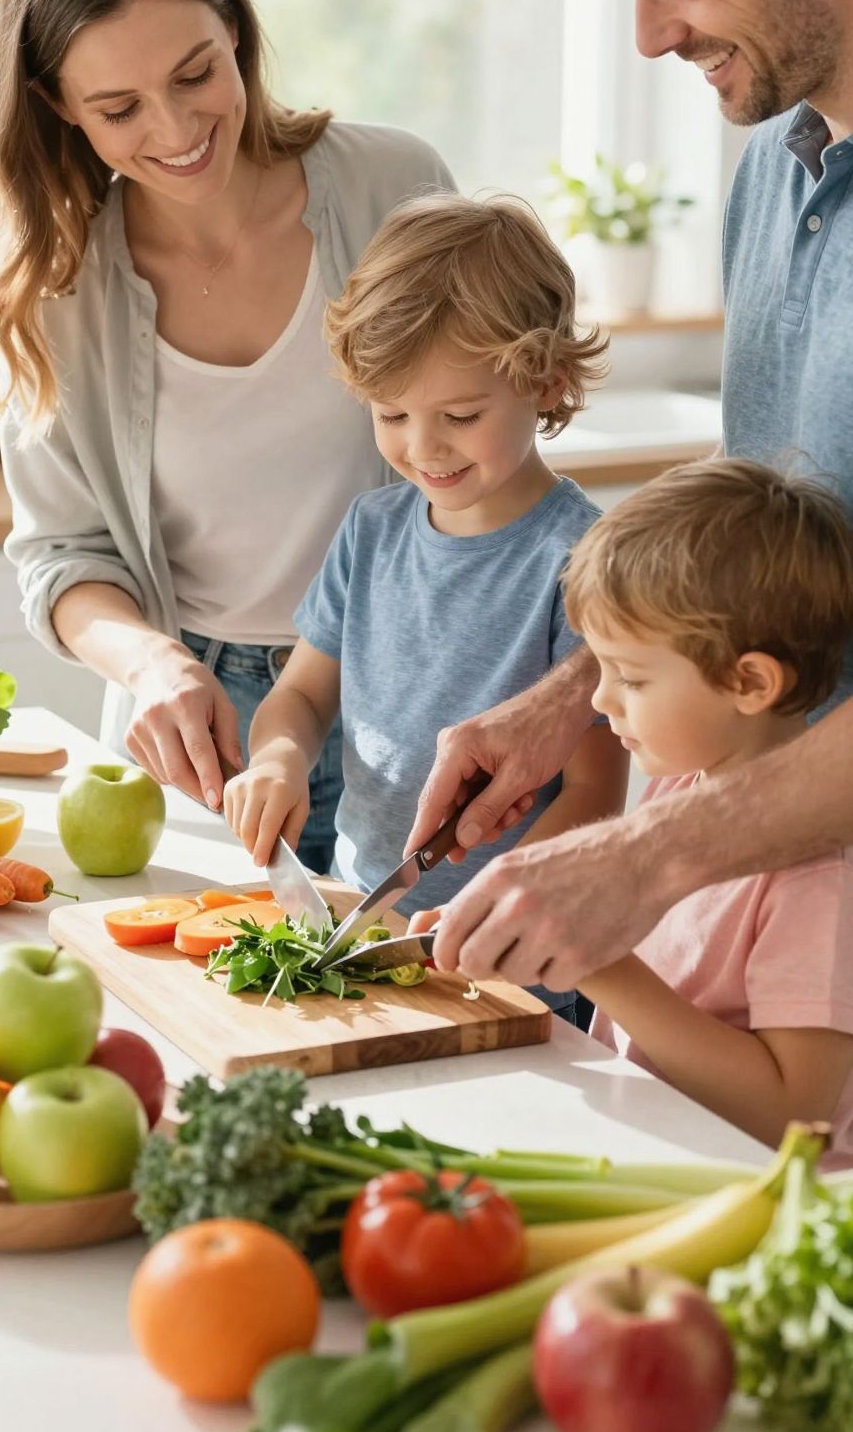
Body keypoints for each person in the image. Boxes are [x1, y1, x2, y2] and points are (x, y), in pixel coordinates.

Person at [404, 0, 853, 1218]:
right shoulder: (779, 167)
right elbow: (752, 560)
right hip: (750, 929)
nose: (653, 36)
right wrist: (569, 700)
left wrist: (645, 862)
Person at [0, 0, 453, 873]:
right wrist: (151, 665)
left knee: (421, 966)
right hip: (201, 727)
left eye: (196, 73)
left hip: (408, 688)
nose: (177, 127)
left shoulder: (395, 189)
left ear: (234, 27)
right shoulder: (55, 286)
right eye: (119, 108)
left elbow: (492, 433)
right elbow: (60, 556)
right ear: (60, 106)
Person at [221, 193, 628, 1021]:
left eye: (461, 415)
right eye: (392, 414)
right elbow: (300, 697)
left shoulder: (584, 561)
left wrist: (500, 902)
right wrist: (277, 759)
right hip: (362, 938)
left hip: (515, 965)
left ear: (547, 381)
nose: (422, 446)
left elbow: (596, 792)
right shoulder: (372, 530)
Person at [524, 459, 853, 1158]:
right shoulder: (683, 786)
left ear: (749, 682)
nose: (600, 700)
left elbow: (793, 1119)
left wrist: (595, 962)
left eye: (631, 677)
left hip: (757, 1208)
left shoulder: (823, 881)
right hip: (659, 1166)